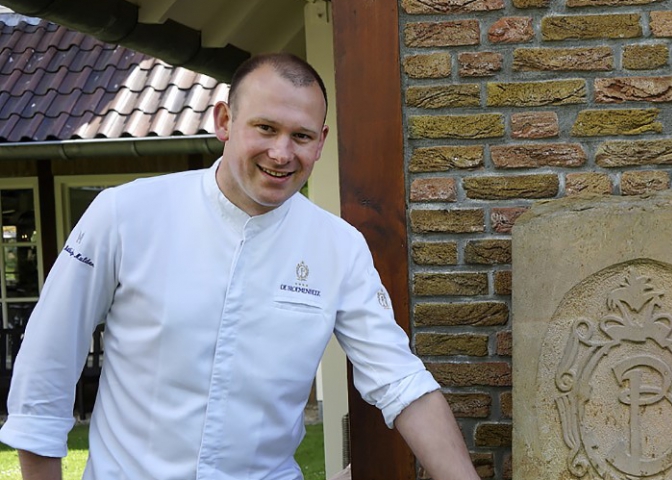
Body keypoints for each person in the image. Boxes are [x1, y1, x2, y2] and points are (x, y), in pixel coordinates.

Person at [0, 53, 480, 480]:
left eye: (301, 136)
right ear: (224, 121)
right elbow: (47, 366)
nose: (281, 153)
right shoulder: (124, 214)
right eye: (265, 128)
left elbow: (401, 382)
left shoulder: (339, 247)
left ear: (320, 143)